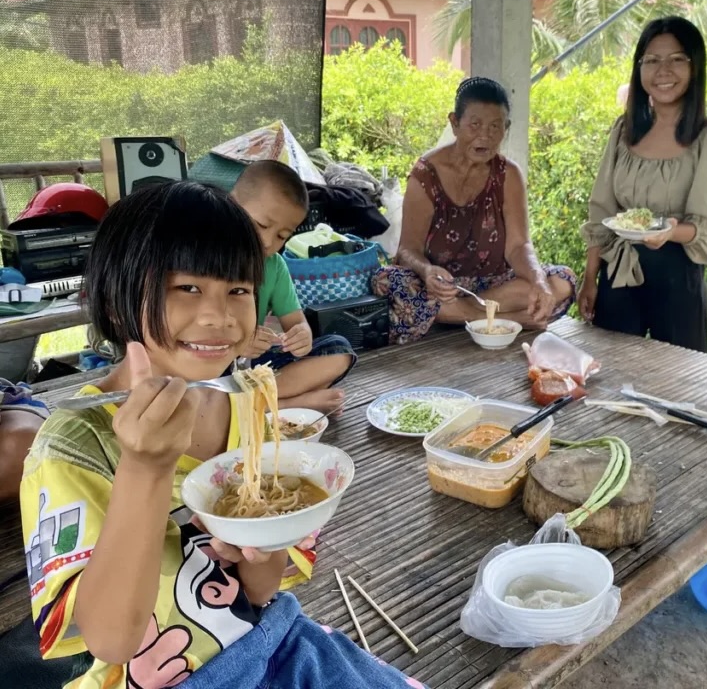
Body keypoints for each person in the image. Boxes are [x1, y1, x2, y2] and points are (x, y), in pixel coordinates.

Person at [19, 181, 427, 689]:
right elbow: (111, 641)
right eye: (187, 287)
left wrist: (265, 543)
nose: (220, 316)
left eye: (239, 290)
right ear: (119, 298)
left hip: (265, 640)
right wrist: (146, 467)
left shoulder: (243, 400)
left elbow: (258, 594)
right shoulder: (74, 445)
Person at [577, 16, 707, 352]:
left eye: (677, 59)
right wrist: (590, 278)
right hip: (618, 273)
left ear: (695, 67)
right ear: (639, 69)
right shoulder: (623, 132)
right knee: (611, 377)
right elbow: (603, 211)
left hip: (678, 279)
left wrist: (669, 232)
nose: (662, 71)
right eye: (651, 60)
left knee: (678, 389)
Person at [372, 77, 576, 344]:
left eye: (495, 126)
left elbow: (518, 246)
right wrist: (427, 271)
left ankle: (470, 314)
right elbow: (407, 250)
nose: (485, 136)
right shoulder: (426, 174)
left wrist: (538, 281)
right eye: (475, 125)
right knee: (390, 282)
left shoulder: (508, 174)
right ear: (455, 123)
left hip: (494, 288)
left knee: (562, 281)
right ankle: (509, 320)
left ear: (507, 128)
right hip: (443, 289)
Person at [230, 161, 356, 413]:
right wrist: (231, 345)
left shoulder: (274, 266)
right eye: (261, 225)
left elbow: (296, 323)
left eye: (281, 236)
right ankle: (287, 403)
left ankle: (258, 403)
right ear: (230, 204)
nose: (267, 241)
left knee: (339, 349)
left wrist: (301, 337)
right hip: (208, 367)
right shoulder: (202, 257)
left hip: (253, 368)